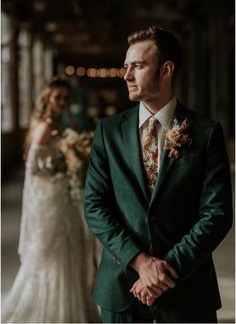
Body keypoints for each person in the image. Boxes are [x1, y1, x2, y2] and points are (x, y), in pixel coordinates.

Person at [84, 26, 233, 323]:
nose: (126, 75)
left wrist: (164, 271)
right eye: (126, 67)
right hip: (122, 283)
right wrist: (141, 263)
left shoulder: (206, 133)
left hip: (187, 287)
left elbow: (216, 214)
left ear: (166, 70)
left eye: (137, 66)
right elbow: (95, 205)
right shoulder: (108, 132)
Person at [2, 76, 101, 323]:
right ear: (47, 98)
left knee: (72, 246)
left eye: (66, 98)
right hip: (52, 198)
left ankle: (71, 305)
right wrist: (64, 166)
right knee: (58, 249)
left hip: (62, 194)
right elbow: (33, 167)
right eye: (58, 97)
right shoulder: (45, 126)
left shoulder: (56, 123)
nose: (62, 102)